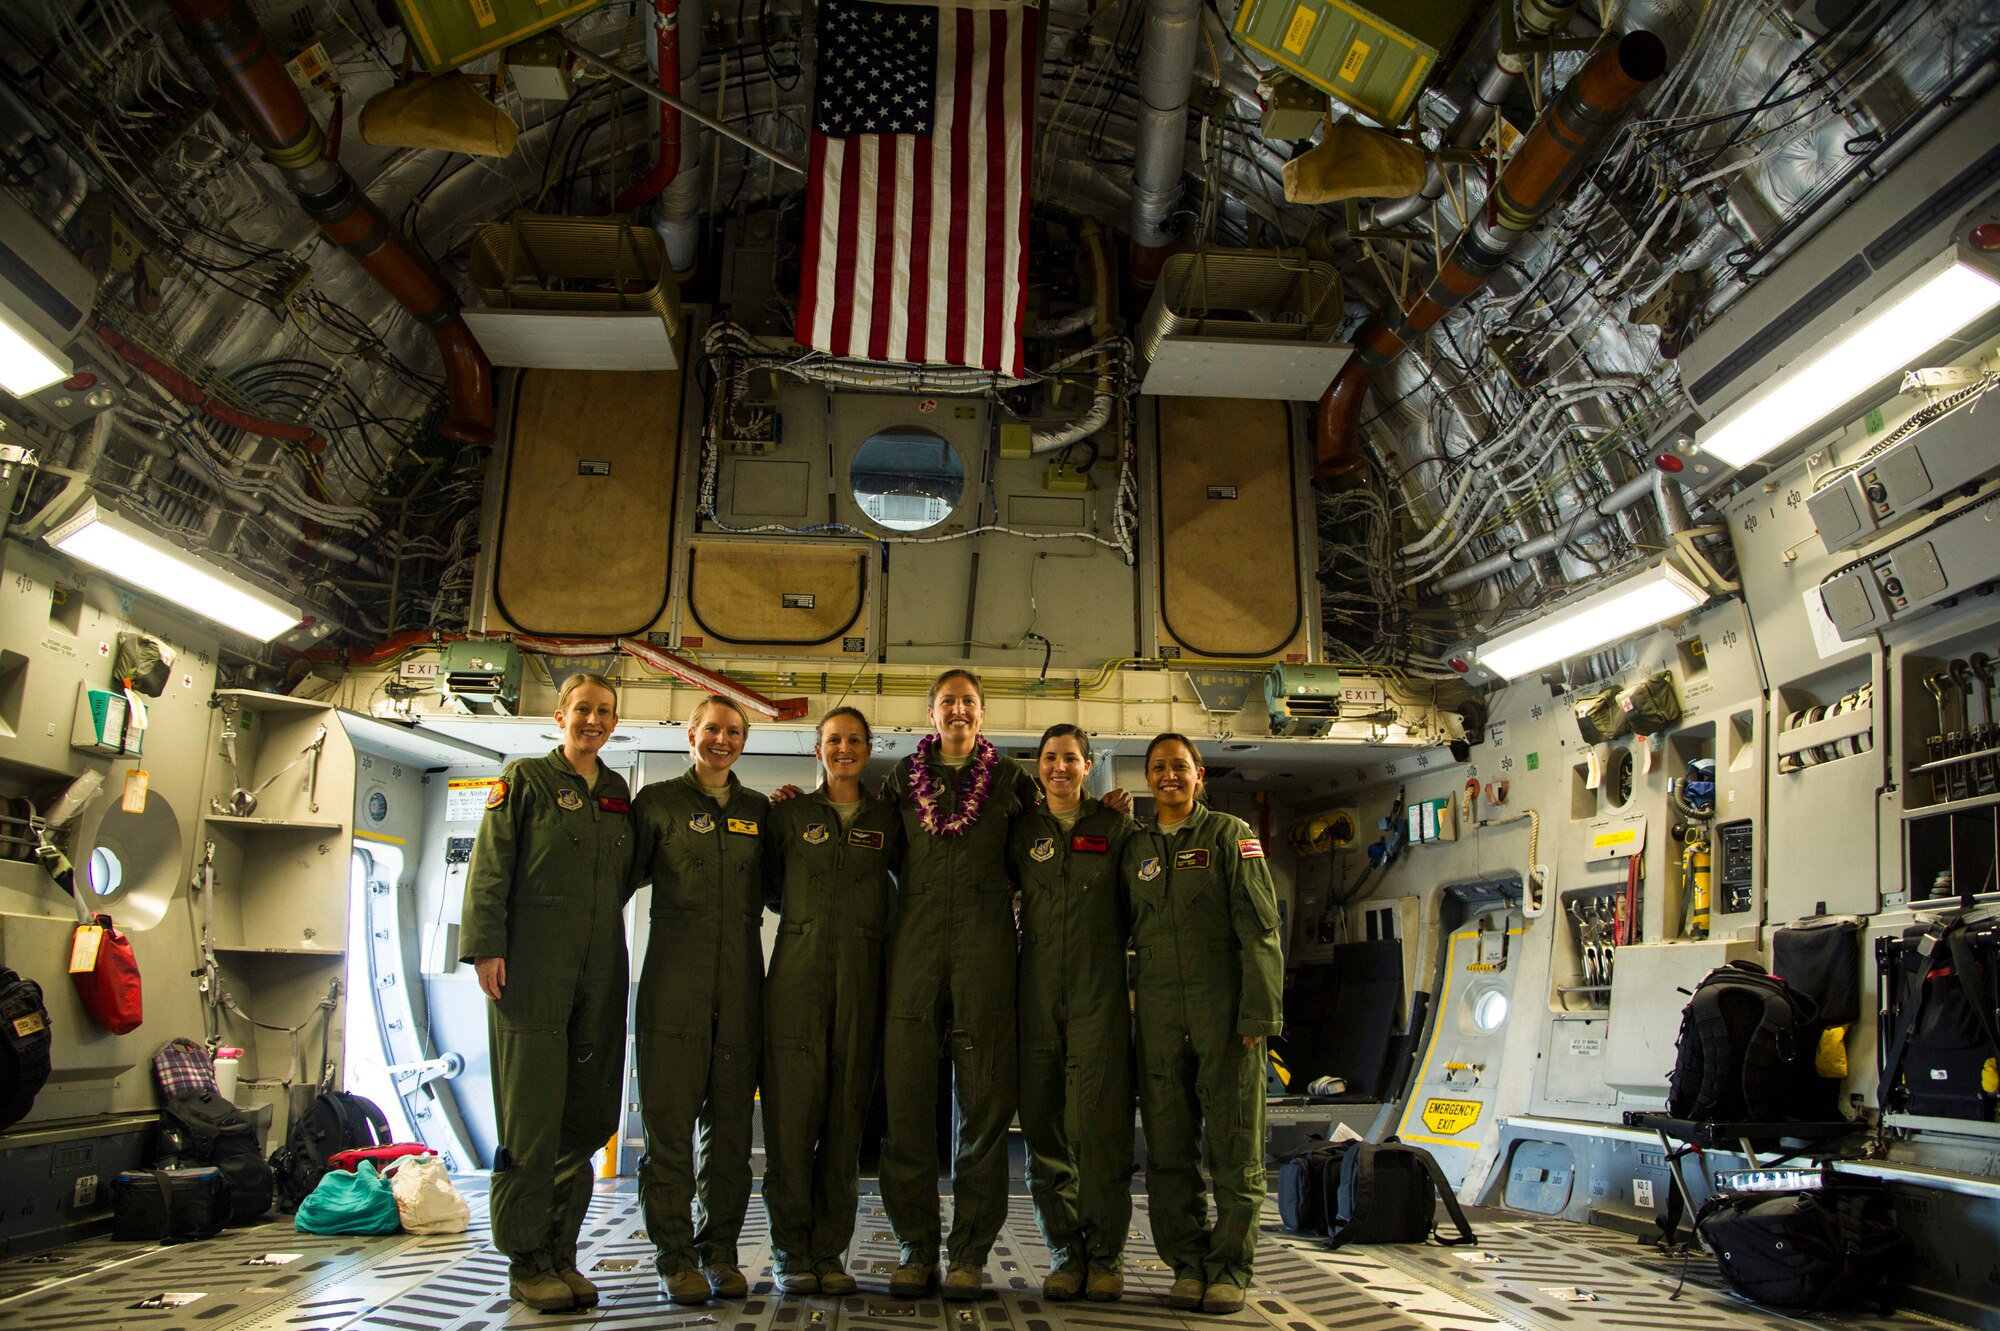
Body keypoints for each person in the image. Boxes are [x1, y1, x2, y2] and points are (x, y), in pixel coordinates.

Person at [460, 673, 634, 1313]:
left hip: (599, 970)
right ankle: (525, 1260)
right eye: (583, 710)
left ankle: (562, 1254)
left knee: (585, 1119)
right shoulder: (525, 779)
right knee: (532, 1121)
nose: (594, 721)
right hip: (531, 966)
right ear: (560, 715)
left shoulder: (616, 792)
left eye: (605, 712)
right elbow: (490, 865)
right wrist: (486, 945)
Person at [878, 668, 1041, 1299]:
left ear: (982, 712)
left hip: (985, 943)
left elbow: (1045, 838)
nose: (958, 711)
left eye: (968, 702)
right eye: (947, 702)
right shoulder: (902, 778)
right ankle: (917, 1248)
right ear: (931, 714)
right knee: (909, 1105)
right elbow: (875, 846)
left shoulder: (1009, 781)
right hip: (914, 942)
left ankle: (970, 1252)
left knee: (984, 1106)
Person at [1120, 733, 1283, 1316]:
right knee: (1167, 1147)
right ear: (1146, 777)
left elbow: (1261, 928)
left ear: (1200, 773)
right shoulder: (1133, 846)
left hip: (1224, 1008)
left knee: (1236, 1144)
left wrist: (1259, 1014)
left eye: (1180, 766)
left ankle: (1230, 1268)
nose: (1169, 776)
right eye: (1159, 767)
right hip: (1159, 1010)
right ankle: (1186, 1265)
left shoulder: (1229, 836)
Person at [630, 696, 772, 1304]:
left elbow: (788, 891)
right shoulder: (656, 803)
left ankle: (721, 1253)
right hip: (672, 982)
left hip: (742, 981)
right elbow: (608, 883)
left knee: (732, 1132)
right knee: (668, 1129)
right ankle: (675, 1256)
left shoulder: (760, 812)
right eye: (712, 729)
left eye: (734, 732)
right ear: (692, 734)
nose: (723, 740)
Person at [760, 706, 904, 1295]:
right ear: (817, 749)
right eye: (832, 740)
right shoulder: (788, 815)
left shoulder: (889, 819)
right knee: (792, 1121)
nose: (843, 749)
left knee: (846, 1121)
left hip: (864, 975)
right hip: (797, 974)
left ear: (868, 749)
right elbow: (769, 891)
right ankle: (791, 1250)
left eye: (853, 740)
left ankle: (830, 1253)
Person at [1008, 724, 1139, 1302]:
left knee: (1101, 1132)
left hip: (1099, 991)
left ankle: (1105, 1255)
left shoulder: (1117, 827)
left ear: (1089, 766)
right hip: (1035, 990)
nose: (1059, 767)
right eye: (1050, 758)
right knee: (1045, 1130)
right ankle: (1064, 1252)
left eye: (1071, 758)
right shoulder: (1022, 830)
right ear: (1038, 767)